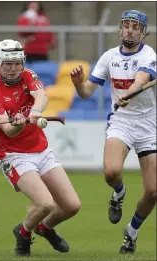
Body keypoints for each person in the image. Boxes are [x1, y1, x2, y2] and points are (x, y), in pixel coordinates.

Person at [0, 39, 80, 256]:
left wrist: (33, 112)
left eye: (17, 63)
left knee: (72, 205)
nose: (13, 68)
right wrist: (16, 124)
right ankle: (24, 233)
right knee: (45, 203)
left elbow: (42, 96)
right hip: (13, 155)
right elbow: (7, 130)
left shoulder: (28, 74)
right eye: (7, 63)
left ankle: (45, 228)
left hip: (41, 150)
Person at [71, 10, 156, 254]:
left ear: (143, 32)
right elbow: (88, 91)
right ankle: (119, 193)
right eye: (127, 25)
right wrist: (78, 83)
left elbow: (140, 80)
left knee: (153, 191)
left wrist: (129, 92)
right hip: (121, 122)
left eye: (135, 26)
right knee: (111, 172)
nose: (130, 30)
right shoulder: (109, 57)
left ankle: (131, 232)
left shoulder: (149, 55)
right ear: (121, 28)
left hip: (149, 126)